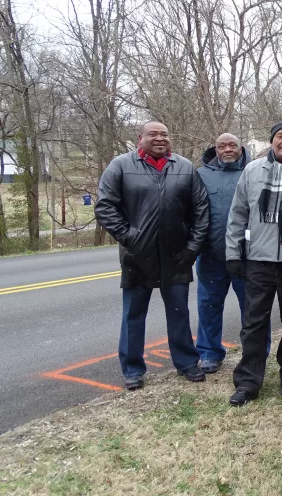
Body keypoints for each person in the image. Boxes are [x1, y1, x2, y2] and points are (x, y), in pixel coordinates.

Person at [95, 121, 209, 390]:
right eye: (153, 134)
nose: (159, 138)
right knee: (133, 315)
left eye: (164, 134)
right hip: (137, 256)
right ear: (140, 138)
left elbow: (201, 211)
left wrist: (192, 249)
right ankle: (132, 369)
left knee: (179, 313)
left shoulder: (184, 168)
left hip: (178, 256)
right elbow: (105, 206)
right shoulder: (120, 166)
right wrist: (130, 237)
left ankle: (186, 363)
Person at [226, 121, 282, 406]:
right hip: (259, 261)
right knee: (254, 323)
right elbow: (238, 214)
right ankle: (248, 382)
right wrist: (233, 253)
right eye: (280, 136)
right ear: (272, 141)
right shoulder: (252, 171)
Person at [195, 133, 271, 374]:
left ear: (241, 148)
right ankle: (209, 353)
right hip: (211, 255)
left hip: (248, 256)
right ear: (215, 149)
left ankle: (257, 352)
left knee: (253, 309)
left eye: (232, 145)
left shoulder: (257, 171)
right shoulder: (200, 175)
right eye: (221, 146)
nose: (227, 149)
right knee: (208, 306)